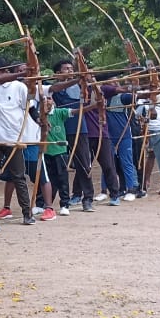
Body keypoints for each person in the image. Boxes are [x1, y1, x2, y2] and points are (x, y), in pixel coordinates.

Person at [0, 56, 37, 225]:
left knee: (18, 176)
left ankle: (27, 213)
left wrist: (41, 123)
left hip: (13, 138)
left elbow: (31, 109)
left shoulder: (18, 87)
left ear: (4, 71)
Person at [50, 58, 97, 212]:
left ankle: (87, 199)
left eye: (72, 68)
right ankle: (47, 201)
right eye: (66, 69)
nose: (70, 71)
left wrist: (84, 79)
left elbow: (91, 91)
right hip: (60, 131)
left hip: (78, 129)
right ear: (57, 73)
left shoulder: (79, 85)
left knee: (84, 164)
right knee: (57, 167)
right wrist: (78, 78)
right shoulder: (54, 87)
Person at [136, 87, 160, 194]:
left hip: (158, 129)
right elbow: (137, 112)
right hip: (143, 131)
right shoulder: (142, 94)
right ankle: (142, 184)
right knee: (141, 159)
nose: (153, 87)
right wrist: (142, 120)